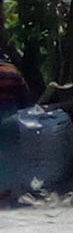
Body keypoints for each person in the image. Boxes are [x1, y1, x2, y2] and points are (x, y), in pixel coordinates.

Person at [0, 57, 33, 206]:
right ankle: (8, 193)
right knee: (10, 155)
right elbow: (25, 99)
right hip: (10, 118)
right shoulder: (12, 71)